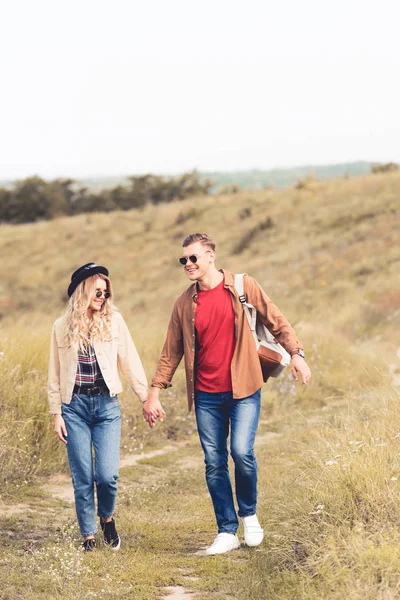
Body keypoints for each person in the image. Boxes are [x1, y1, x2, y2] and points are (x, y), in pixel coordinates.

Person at [143, 233, 311, 555]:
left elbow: (277, 321)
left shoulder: (243, 286)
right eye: (184, 260)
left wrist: (297, 354)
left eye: (193, 258)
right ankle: (226, 530)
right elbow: (171, 352)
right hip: (206, 394)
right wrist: (154, 393)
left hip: (244, 387)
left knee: (241, 453)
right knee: (213, 461)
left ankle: (248, 514)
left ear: (210, 257)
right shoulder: (184, 304)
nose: (188, 265)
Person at [48, 262, 148, 552]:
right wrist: (57, 414)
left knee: (106, 475)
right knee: (82, 476)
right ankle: (88, 536)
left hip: (106, 407)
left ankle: (107, 518)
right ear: (83, 291)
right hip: (74, 408)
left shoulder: (114, 320)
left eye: (106, 292)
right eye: (97, 291)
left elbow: (130, 360)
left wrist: (146, 398)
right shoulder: (60, 327)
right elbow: (54, 373)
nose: (103, 297)